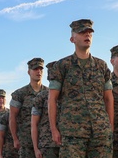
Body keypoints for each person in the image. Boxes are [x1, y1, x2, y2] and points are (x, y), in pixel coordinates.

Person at [48, 19, 114, 158]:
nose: (87, 35)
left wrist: (110, 127)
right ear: (72, 39)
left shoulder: (101, 66)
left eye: (89, 32)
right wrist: (54, 129)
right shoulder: (62, 66)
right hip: (72, 133)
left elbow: (108, 99)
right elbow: (52, 99)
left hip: (100, 132)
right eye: (82, 32)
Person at [9, 57, 47, 158]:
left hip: (46, 141)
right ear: (29, 72)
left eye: (41, 69)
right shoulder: (20, 94)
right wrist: (15, 139)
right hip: (26, 142)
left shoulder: (48, 93)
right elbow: (12, 117)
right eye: (35, 69)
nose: (38, 71)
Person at [31, 61, 59, 158]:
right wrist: (36, 148)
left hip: (68, 145)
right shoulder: (41, 97)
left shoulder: (69, 95)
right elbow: (34, 124)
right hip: (47, 146)